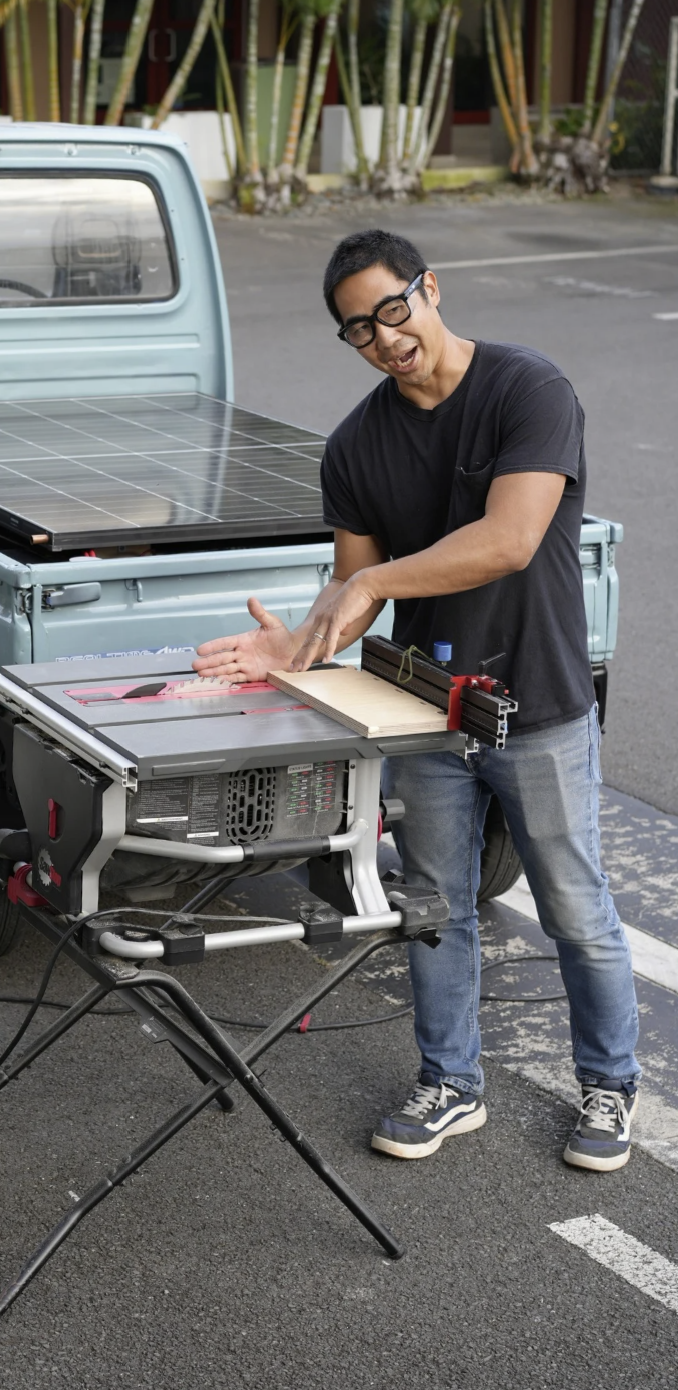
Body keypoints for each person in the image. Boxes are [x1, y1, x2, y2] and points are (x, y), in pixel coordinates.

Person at [194, 228, 641, 1173]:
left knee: (574, 907)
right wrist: (298, 642)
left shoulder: (528, 390)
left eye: (391, 309)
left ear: (429, 289)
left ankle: (609, 1085)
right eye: (357, 329)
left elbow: (511, 538)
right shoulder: (356, 445)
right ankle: (451, 1083)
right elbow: (350, 591)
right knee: (433, 907)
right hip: (423, 712)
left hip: (541, 700)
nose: (382, 337)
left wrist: (375, 585)